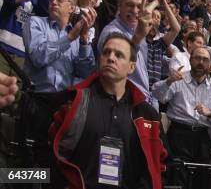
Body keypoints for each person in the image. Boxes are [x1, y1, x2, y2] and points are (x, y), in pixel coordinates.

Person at [49, 33, 167, 189]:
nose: (111, 58)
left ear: (131, 67)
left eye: (119, 55)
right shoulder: (72, 103)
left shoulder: (148, 114)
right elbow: (49, 152)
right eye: (106, 53)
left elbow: (161, 163)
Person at [22, 0, 97, 169]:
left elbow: (86, 73)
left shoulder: (78, 36)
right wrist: (69, 38)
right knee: (27, 163)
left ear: (71, 7)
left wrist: (84, 40)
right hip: (37, 102)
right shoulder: (35, 23)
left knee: (54, 164)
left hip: (64, 107)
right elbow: (39, 57)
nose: (53, 1)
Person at [152, 46, 211, 189]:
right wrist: (168, 81)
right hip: (179, 134)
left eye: (205, 60)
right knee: (178, 177)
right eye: (197, 58)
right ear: (190, 60)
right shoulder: (178, 79)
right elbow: (157, 95)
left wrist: (210, 113)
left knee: (202, 179)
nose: (201, 62)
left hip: (203, 136)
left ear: (209, 64)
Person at [97, 0, 152, 103]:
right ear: (120, 6)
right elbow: (112, 74)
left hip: (143, 98)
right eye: (130, 5)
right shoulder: (111, 33)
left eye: (139, 6)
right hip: (124, 102)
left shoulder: (139, 29)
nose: (135, 10)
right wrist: (137, 38)